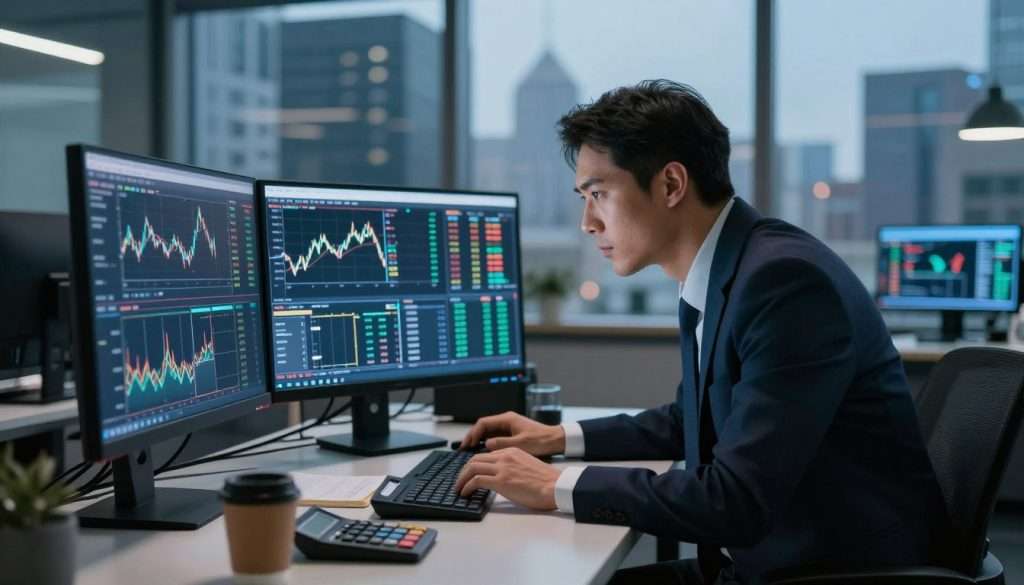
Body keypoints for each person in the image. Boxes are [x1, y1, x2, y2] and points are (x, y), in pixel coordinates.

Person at [453, 80, 949, 585]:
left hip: (827, 572)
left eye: (599, 193)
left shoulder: (787, 285)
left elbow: (736, 502)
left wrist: (556, 484)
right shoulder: (731, 271)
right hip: (777, 559)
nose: (587, 222)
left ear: (671, 185)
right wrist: (559, 437)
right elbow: (692, 419)